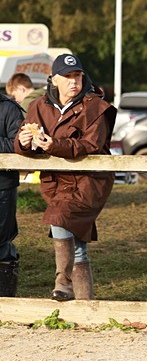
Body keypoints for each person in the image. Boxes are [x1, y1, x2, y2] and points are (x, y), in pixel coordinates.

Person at [14, 54, 117, 301]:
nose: (74, 82)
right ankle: (85, 306)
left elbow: (91, 144)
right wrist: (24, 142)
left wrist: (54, 145)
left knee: (58, 217)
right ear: (55, 80)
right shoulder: (38, 106)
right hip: (56, 181)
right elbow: (23, 141)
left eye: (77, 76)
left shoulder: (97, 107)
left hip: (89, 181)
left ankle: (63, 283)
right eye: (68, 77)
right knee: (78, 246)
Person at [0, 84, 23, 295]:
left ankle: (5, 298)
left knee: (1, 241)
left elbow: (19, 144)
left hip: (3, 187)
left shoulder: (9, 108)